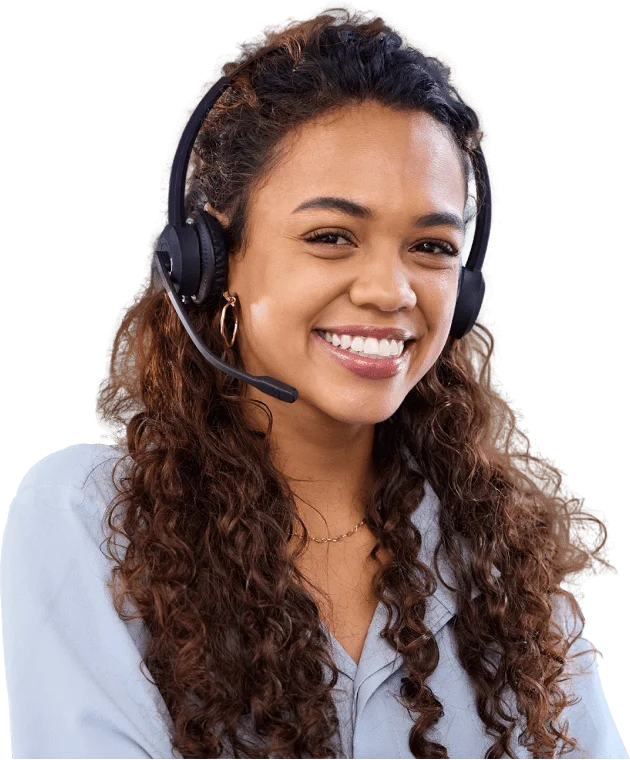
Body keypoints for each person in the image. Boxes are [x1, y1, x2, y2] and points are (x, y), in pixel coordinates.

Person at [1, 6, 627, 760]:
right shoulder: (94, 521)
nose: (391, 290)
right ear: (212, 258)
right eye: (332, 236)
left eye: (431, 246)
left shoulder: (506, 574)